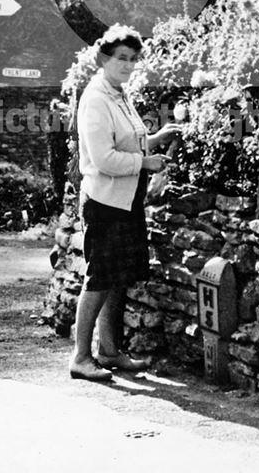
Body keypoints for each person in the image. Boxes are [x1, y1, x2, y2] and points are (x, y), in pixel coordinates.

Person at [69, 24, 183, 381]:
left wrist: (155, 139)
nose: (128, 65)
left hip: (125, 200)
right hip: (104, 202)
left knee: (118, 277)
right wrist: (145, 163)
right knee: (100, 277)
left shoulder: (118, 94)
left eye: (133, 59)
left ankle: (110, 351)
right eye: (122, 58)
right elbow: (103, 158)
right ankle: (80, 357)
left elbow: (128, 141)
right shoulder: (96, 98)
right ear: (104, 58)